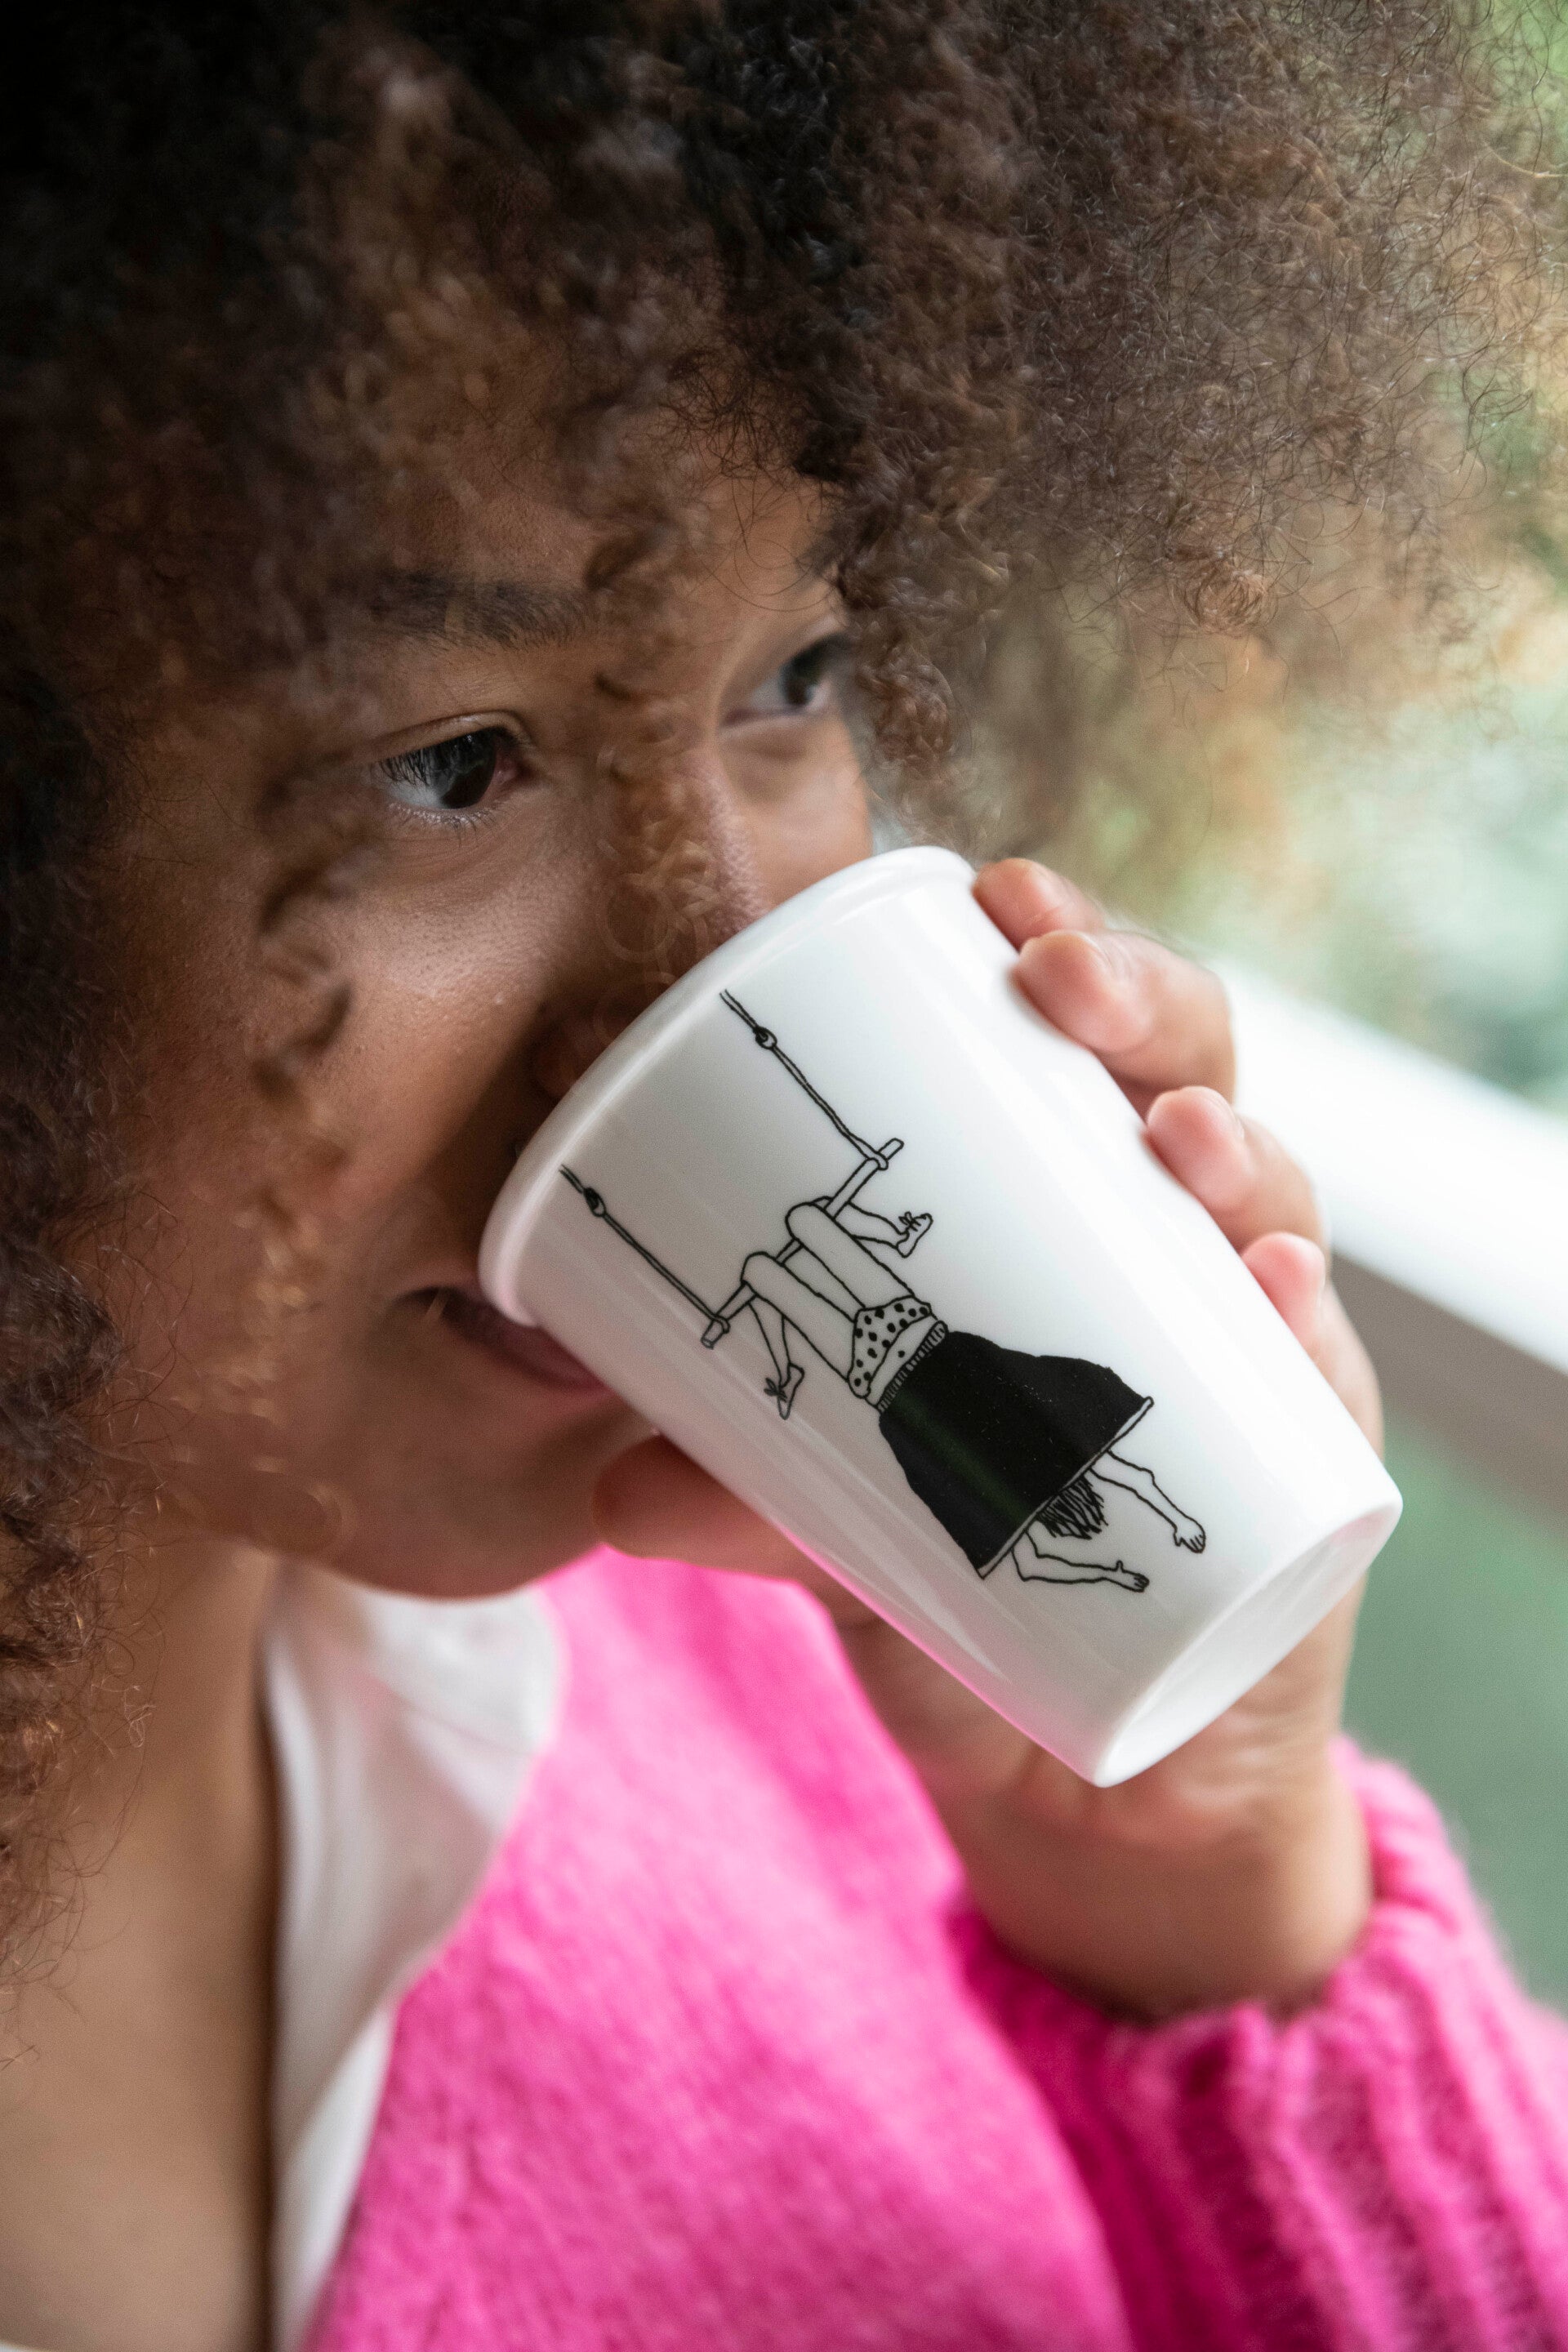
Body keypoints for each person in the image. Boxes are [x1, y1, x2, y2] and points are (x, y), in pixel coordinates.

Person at [3, 9, 1568, 2352]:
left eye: (798, 672)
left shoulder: (836, 1655)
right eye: (448, 764)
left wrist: (1208, 1906)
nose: (710, 971)